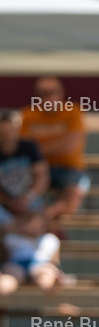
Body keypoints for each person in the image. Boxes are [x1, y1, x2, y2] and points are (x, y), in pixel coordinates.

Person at [20, 77, 90, 223]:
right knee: (22, 194)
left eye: (52, 92)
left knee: (74, 195)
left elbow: (70, 147)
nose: (48, 97)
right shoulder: (29, 114)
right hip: (39, 168)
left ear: (61, 93)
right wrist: (57, 145)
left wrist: (39, 148)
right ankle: (39, 224)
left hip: (70, 168)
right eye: (44, 93)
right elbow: (25, 147)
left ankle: (44, 219)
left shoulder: (73, 111)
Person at [0, 111, 49, 224]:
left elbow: (42, 176)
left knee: (37, 221)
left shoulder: (28, 147)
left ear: (17, 130)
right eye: (3, 131)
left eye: (9, 130)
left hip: (30, 200)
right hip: (4, 204)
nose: (6, 135)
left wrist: (28, 197)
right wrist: (9, 202)